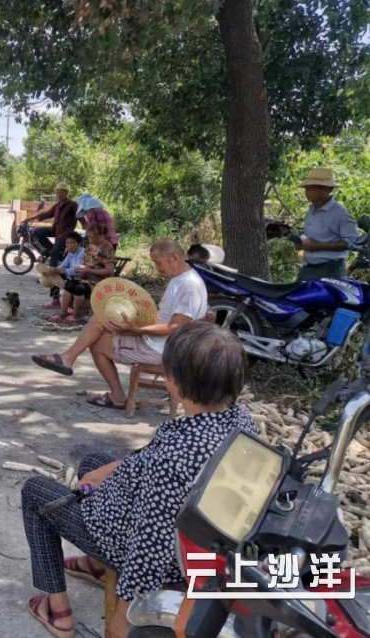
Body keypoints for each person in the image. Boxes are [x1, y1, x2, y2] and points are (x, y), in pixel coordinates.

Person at [21, 322, 257, 638]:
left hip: (162, 553)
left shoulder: (171, 459)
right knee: (93, 462)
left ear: (173, 382)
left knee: (34, 493)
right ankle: (97, 566)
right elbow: (150, 460)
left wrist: (123, 616)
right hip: (202, 536)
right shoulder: (241, 422)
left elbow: (150, 548)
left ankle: (58, 611)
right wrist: (107, 471)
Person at [32, 239, 207, 410]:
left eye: (158, 263)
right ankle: (68, 358)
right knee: (102, 318)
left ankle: (115, 395)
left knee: (98, 346)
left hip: (164, 349)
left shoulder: (189, 285)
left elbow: (175, 327)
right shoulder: (180, 278)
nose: (157, 268)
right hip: (159, 342)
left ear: (175, 258)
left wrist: (136, 330)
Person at [297, 168, 359, 281]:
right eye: (306, 188)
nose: (306, 192)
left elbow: (352, 242)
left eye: (310, 188)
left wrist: (318, 246)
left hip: (330, 269)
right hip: (308, 267)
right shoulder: (311, 209)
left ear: (325, 189)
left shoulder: (339, 213)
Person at [26, 183, 79, 308]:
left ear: (66, 193)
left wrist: (88, 227)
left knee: (53, 265)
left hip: (65, 235)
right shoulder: (57, 205)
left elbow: (81, 217)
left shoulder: (72, 205)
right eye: (58, 192)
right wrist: (30, 218)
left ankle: (55, 300)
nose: (59, 194)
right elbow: (46, 214)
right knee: (36, 232)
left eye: (62, 192)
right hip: (56, 231)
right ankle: (51, 251)